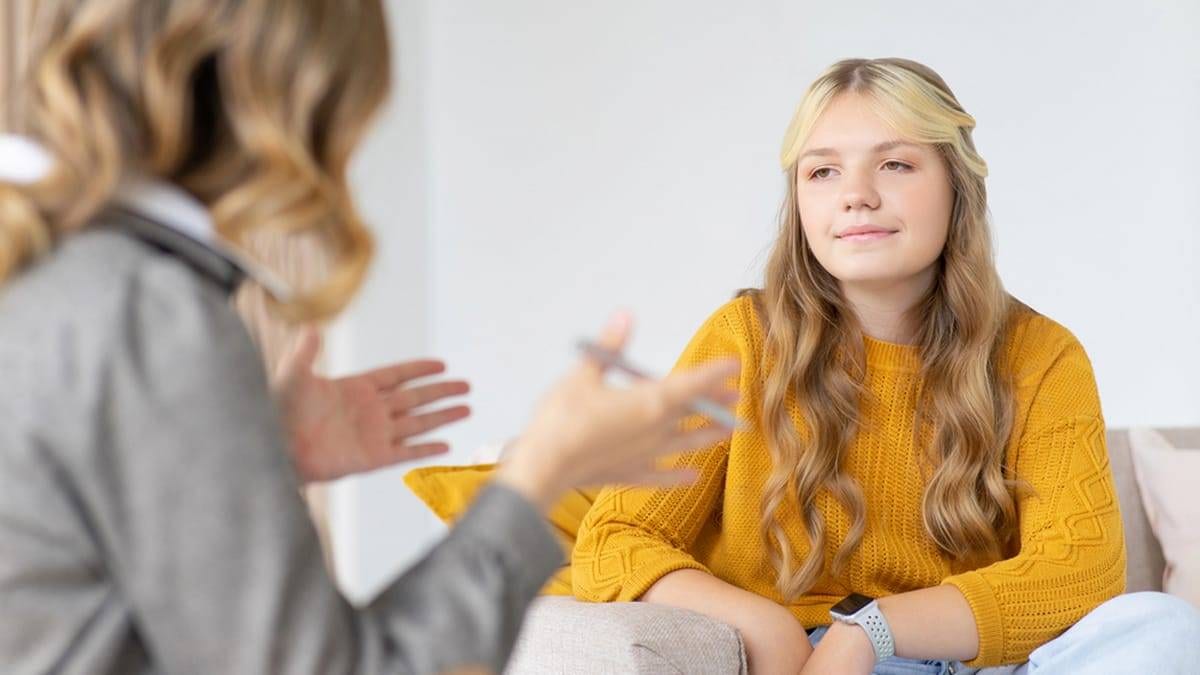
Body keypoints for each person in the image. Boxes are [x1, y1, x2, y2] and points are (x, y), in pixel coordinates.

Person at [0, 2, 739, 673]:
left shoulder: (60, 276)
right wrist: (538, 476)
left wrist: (247, 447)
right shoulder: (149, 312)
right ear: (287, 101)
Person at [570, 57, 1200, 674]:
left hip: (983, 660)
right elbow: (614, 538)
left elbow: (1080, 570)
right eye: (823, 172)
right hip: (808, 660)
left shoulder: (1042, 356)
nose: (856, 197)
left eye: (895, 164)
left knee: (1167, 627)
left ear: (956, 185)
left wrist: (871, 629)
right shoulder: (742, 340)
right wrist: (765, 626)